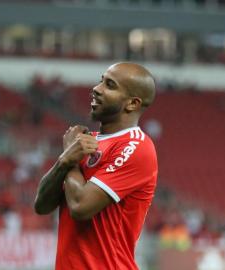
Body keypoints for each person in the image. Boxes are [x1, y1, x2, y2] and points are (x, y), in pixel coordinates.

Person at [34, 62, 158, 269]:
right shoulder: (85, 142)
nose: (96, 88)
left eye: (110, 85)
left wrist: (69, 161)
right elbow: (41, 205)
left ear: (132, 104)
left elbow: (81, 207)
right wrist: (65, 160)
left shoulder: (136, 147)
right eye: (101, 81)